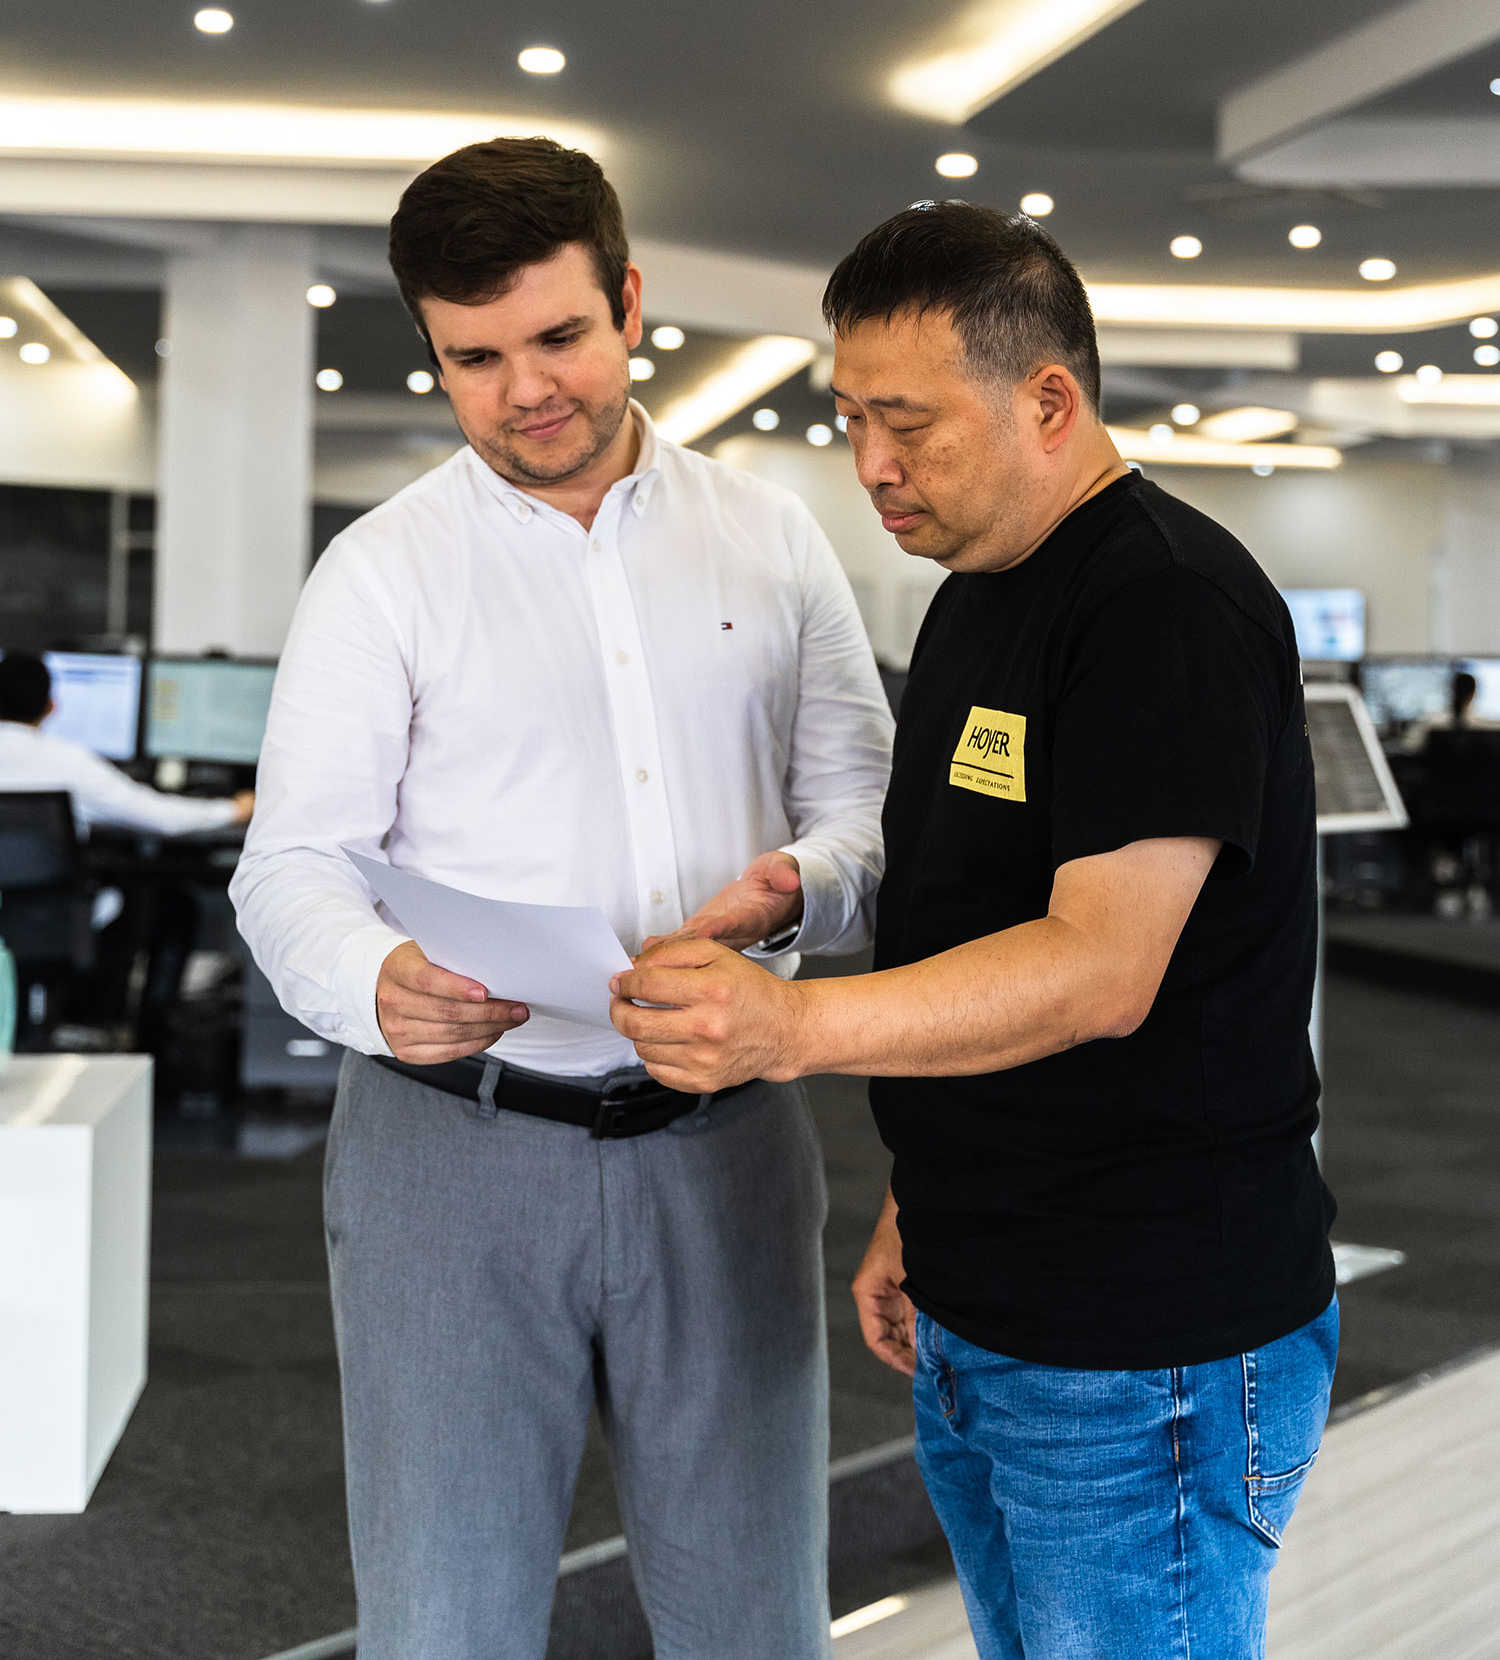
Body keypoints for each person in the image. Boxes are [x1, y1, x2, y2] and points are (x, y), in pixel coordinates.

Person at [611, 202, 1338, 1660]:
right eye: (852, 418)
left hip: (1143, 1335)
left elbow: (1098, 967)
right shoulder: (977, 597)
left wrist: (788, 1026)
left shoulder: (1164, 604)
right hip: (993, 1282)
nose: (871, 464)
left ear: (1048, 401)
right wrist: (921, 1198)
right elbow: (973, 908)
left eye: (909, 423)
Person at [231, 137, 891, 1660]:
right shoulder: (381, 572)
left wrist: (800, 887)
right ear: (433, 351)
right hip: (449, 1153)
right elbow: (292, 863)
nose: (524, 390)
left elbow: (866, 810)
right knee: (444, 1622)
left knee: (754, 1617)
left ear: (631, 304)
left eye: (559, 337)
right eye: (475, 358)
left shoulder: (772, 538)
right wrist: (372, 979)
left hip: (725, 1138)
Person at [0, 652, 251, 834]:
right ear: (51, 707)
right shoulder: (71, 763)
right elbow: (158, 816)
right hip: (51, 893)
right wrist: (234, 810)